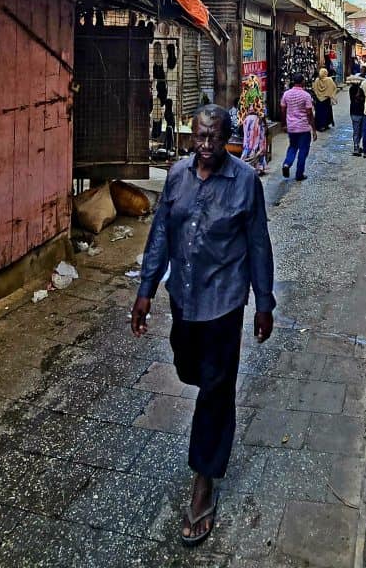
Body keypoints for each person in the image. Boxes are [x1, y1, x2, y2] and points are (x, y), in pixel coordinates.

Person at [132, 105, 275, 547]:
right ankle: (209, 400)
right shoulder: (177, 176)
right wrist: (146, 288)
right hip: (185, 299)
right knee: (189, 370)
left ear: (226, 137)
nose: (205, 146)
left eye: (214, 138)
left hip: (225, 302)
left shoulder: (245, 181)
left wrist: (264, 301)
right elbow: (160, 233)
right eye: (199, 137)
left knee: (216, 388)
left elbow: (257, 242)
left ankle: (203, 481)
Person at [280, 72, 317, 181]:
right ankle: (299, 174)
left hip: (291, 126)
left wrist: (284, 124)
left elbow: (282, 109)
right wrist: (314, 129)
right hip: (303, 127)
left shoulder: (286, 94)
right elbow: (309, 113)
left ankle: (287, 163)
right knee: (303, 150)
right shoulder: (306, 95)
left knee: (292, 147)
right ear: (302, 82)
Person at [239, 75, 267, 174]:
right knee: (257, 143)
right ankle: (257, 166)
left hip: (247, 120)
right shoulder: (256, 94)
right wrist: (264, 122)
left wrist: (242, 121)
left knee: (247, 142)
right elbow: (260, 110)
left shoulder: (244, 94)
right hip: (256, 120)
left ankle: (245, 164)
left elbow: (241, 110)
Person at [312, 67, 336, 132]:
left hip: (318, 99)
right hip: (326, 99)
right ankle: (326, 124)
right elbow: (334, 87)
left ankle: (320, 126)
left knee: (319, 112)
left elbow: (314, 88)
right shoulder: (329, 80)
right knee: (326, 112)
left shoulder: (317, 80)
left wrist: (318, 94)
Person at [349, 79, 365, 157]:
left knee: (359, 131)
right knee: (357, 131)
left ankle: (357, 145)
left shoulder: (362, 89)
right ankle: (356, 147)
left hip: (359, 112)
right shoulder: (353, 89)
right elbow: (357, 98)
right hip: (356, 113)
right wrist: (359, 89)